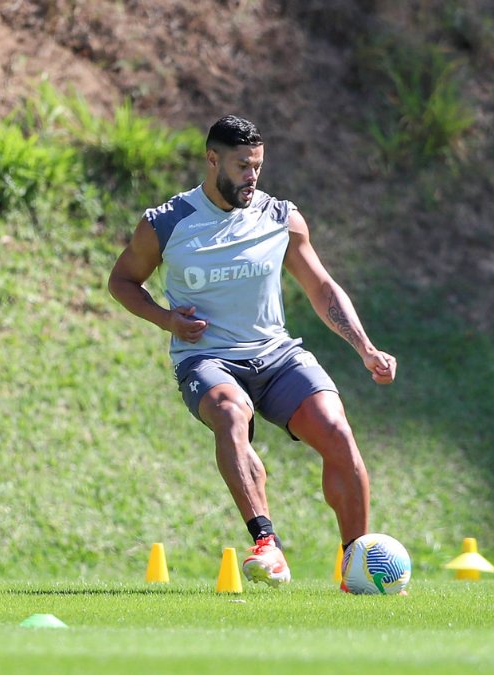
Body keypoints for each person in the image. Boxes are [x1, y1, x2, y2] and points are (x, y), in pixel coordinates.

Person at [107, 114, 397, 587]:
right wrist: (167, 319)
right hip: (207, 358)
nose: (252, 177)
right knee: (229, 412)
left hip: (276, 353)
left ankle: (356, 564)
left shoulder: (280, 217)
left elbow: (320, 286)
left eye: (258, 166)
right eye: (243, 166)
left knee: (337, 430)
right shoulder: (167, 223)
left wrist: (365, 348)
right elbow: (122, 282)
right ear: (212, 159)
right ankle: (267, 544)